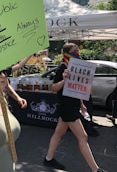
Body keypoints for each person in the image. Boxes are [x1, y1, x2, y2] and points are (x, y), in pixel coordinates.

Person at [43, 43, 104, 172]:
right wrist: (64, 80)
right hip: (66, 107)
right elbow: (53, 88)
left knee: (59, 133)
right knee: (83, 137)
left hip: (72, 106)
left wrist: (81, 104)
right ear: (67, 53)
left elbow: (77, 88)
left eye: (77, 51)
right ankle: (95, 169)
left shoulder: (75, 67)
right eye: (74, 51)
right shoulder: (61, 69)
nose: (78, 53)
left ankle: (48, 159)